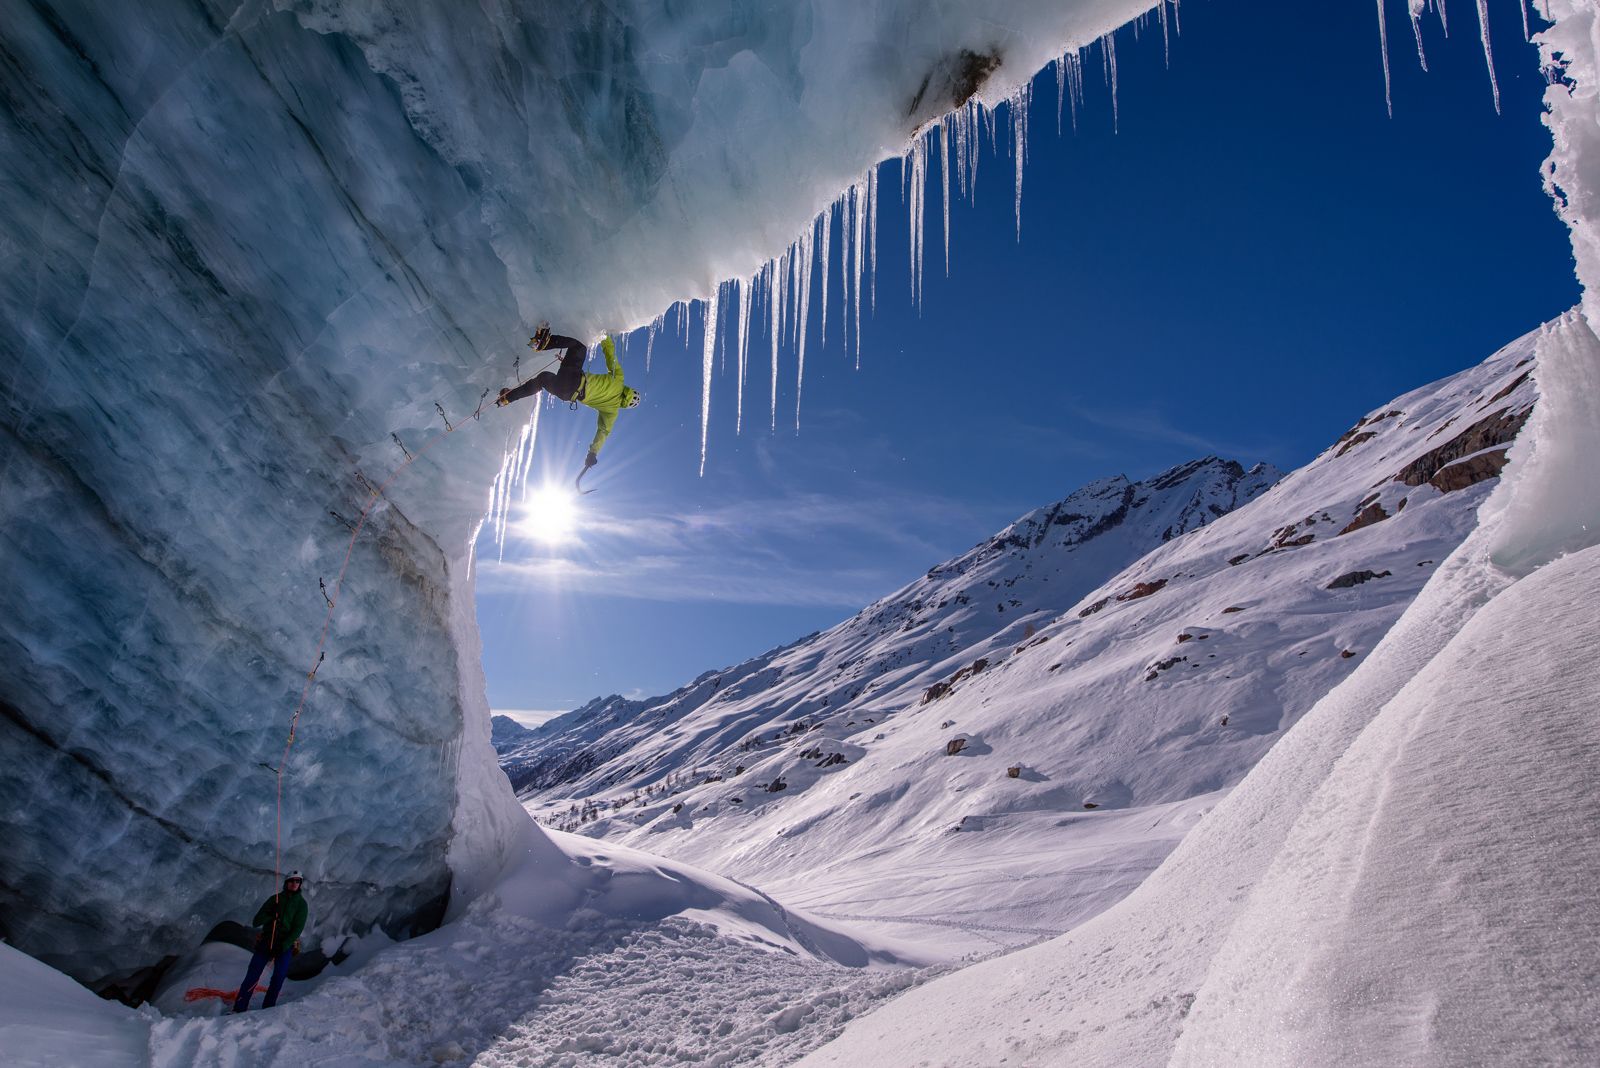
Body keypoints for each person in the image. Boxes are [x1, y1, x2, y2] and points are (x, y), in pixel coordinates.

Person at [497, 327, 640, 470]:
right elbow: (603, 432)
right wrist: (592, 453)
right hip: (567, 394)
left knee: (578, 347)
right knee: (543, 379)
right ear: (625, 405)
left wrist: (604, 334)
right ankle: (507, 397)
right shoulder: (612, 411)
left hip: (575, 379)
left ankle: (543, 343)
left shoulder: (619, 380)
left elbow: (610, 355)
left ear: (630, 390)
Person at [232, 870, 308, 1013]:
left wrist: (283, 946)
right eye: (292, 881)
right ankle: (239, 1008)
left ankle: (268, 1010)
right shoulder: (275, 899)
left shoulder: (301, 905)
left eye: (297, 881)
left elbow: (297, 929)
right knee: (253, 974)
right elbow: (256, 921)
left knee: (278, 977)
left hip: (285, 945)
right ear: (286, 883)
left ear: (300, 884)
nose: (294, 884)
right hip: (266, 941)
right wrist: (272, 915)